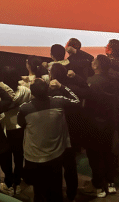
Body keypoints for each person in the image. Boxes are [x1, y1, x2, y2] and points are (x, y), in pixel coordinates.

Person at [17, 78, 80, 202]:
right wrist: (61, 86)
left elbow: (20, 123)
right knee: (56, 188)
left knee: (38, 189)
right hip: (55, 154)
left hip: (33, 155)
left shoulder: (24, 108)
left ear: (31, 92)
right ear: (47, 89)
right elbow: (77, 101)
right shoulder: (59, 101)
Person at [49, 63, 90, 201]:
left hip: (55, 135)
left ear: (52, 76)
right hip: (70, 135)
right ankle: (71, 195)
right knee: (70, 165)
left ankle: (56, 196)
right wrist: (76, 77)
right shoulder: (72, 89)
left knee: (56, 167)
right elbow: (86, 89)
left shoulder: (48, 92)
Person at [82, 55, 119, 198]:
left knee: (94, 155)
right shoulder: (113, 81)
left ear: (96, 66)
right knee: (108, 153)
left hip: (94, 124)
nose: (92, 62)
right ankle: (110, 182)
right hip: (109, 123)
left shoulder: (91, 81)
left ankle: (98, 186)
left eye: (94, 61)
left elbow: (85, 104)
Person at [0, 66, 31, 197]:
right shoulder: (25, 90)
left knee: (5, 157)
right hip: (19, 127)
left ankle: (8, 183)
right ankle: (17, 183)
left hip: (5, 128)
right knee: (18, 156)